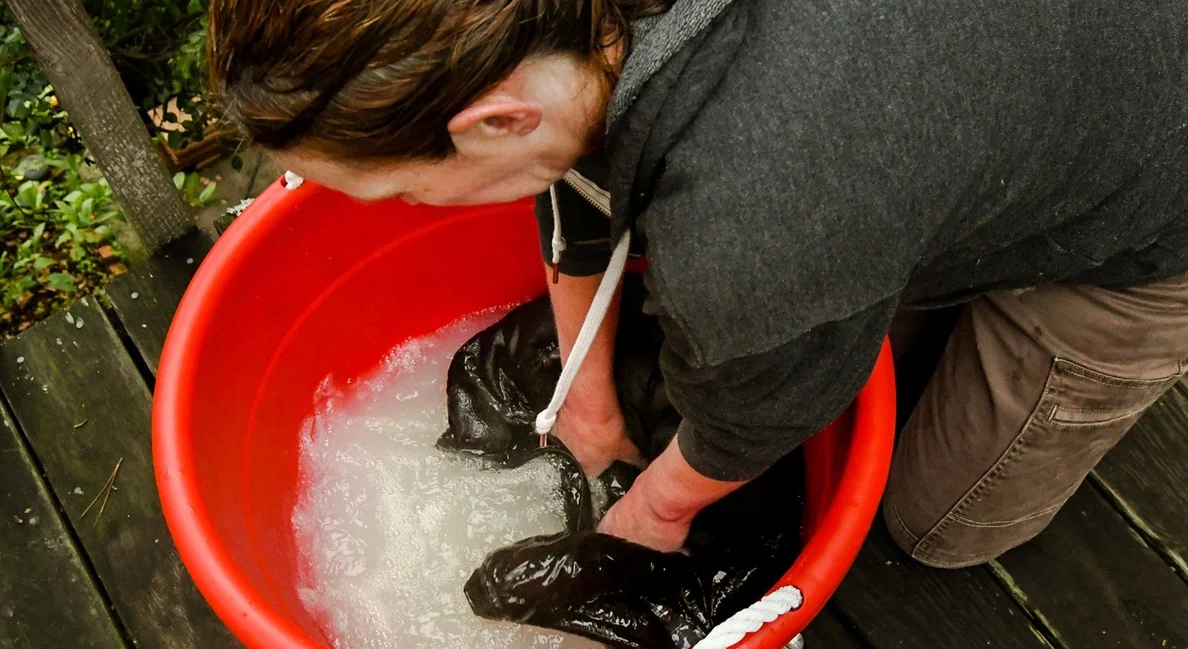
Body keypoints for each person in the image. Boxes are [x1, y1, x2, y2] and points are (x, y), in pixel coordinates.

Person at [208, 0, 1188, 567]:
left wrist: (654, 514)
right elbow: (572, 173)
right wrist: (585, 402)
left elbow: (766, 409)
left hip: (1150, 214)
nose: (418, 213)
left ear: (498, 119)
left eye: (410, 194)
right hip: (988, 82)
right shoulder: (564, 31)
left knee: (937, 528)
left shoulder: (759, 221)